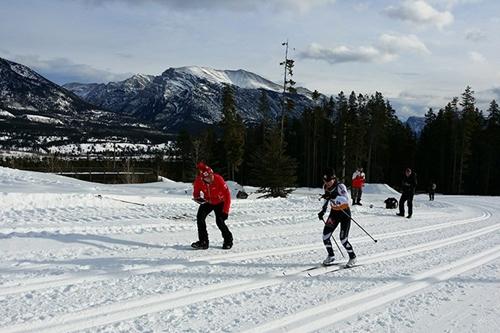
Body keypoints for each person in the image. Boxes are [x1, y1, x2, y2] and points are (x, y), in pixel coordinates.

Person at [317, 168, 357, 267]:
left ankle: (353, 257)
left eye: (329, 181)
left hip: (344, 214)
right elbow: (326, 198)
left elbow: (346, 200)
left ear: (334, 179)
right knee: (325, 236)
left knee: (343, 239)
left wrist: (335, 197)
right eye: (325, 181)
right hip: (334, 213)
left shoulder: (340, 186)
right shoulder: (326, 187)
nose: (327, 183)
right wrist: (323, 210)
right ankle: (331, 256)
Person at [192, 162, 233, 250]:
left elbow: (227, 196)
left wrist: (225, 211)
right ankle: (203, 242)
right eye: (208, 177)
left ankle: (228, 240)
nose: (211, 178)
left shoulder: (218, 179)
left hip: (220, 202)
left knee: (219, 221)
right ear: (203, 178)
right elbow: (196, 191)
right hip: (208, 201)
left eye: (211, 175)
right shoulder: (198, 181)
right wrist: (197, 197)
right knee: (200, 218)